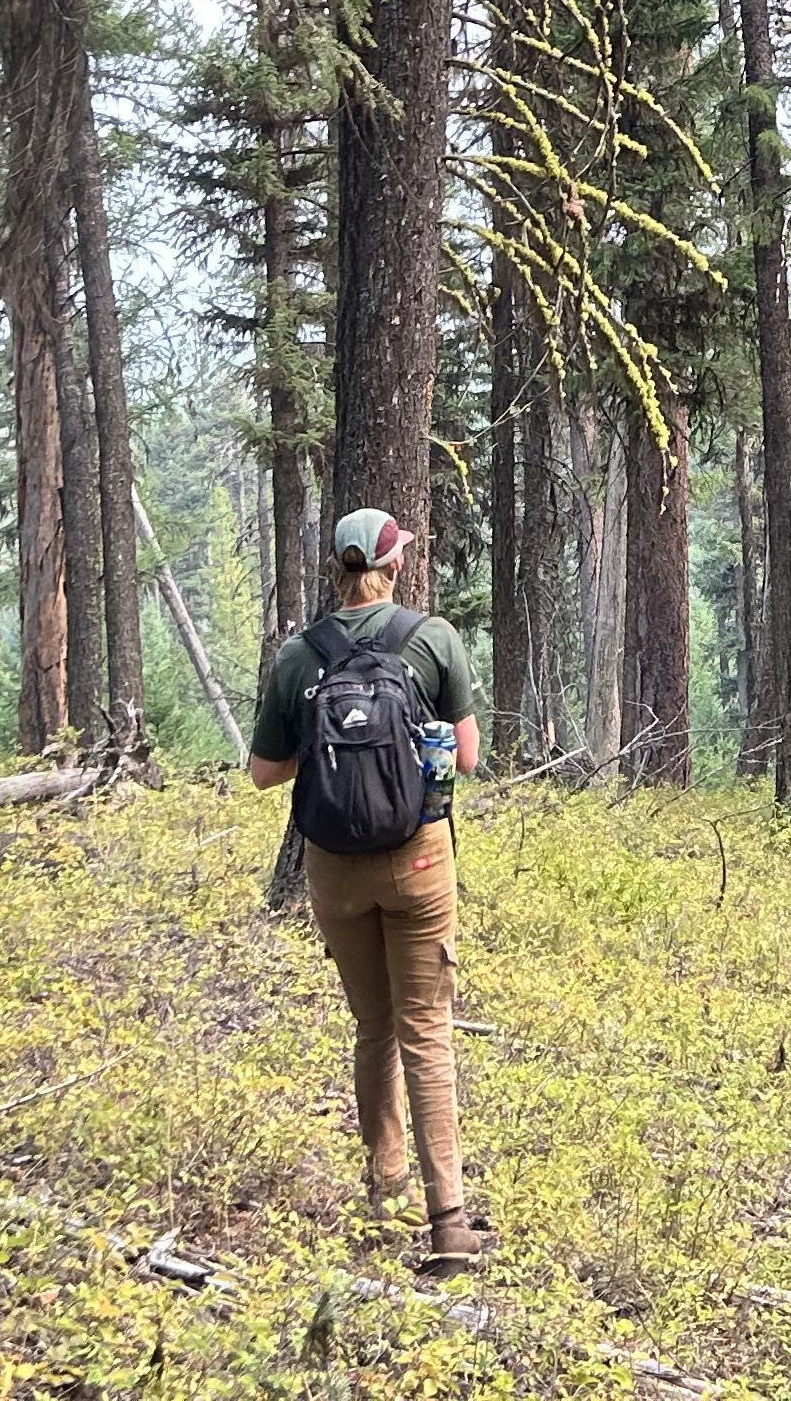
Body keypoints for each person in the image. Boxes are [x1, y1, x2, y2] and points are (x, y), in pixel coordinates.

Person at [248, 507, 486, 1265]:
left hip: (333, 870)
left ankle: (383, 1202)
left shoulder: (299, 654)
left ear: (339, 570)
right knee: (427, 1030)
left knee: (374, 1028)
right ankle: (448, 1221)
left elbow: (264, 773)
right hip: (419, 859)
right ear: (395, 566)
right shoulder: (432, 638)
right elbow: (471, 755)